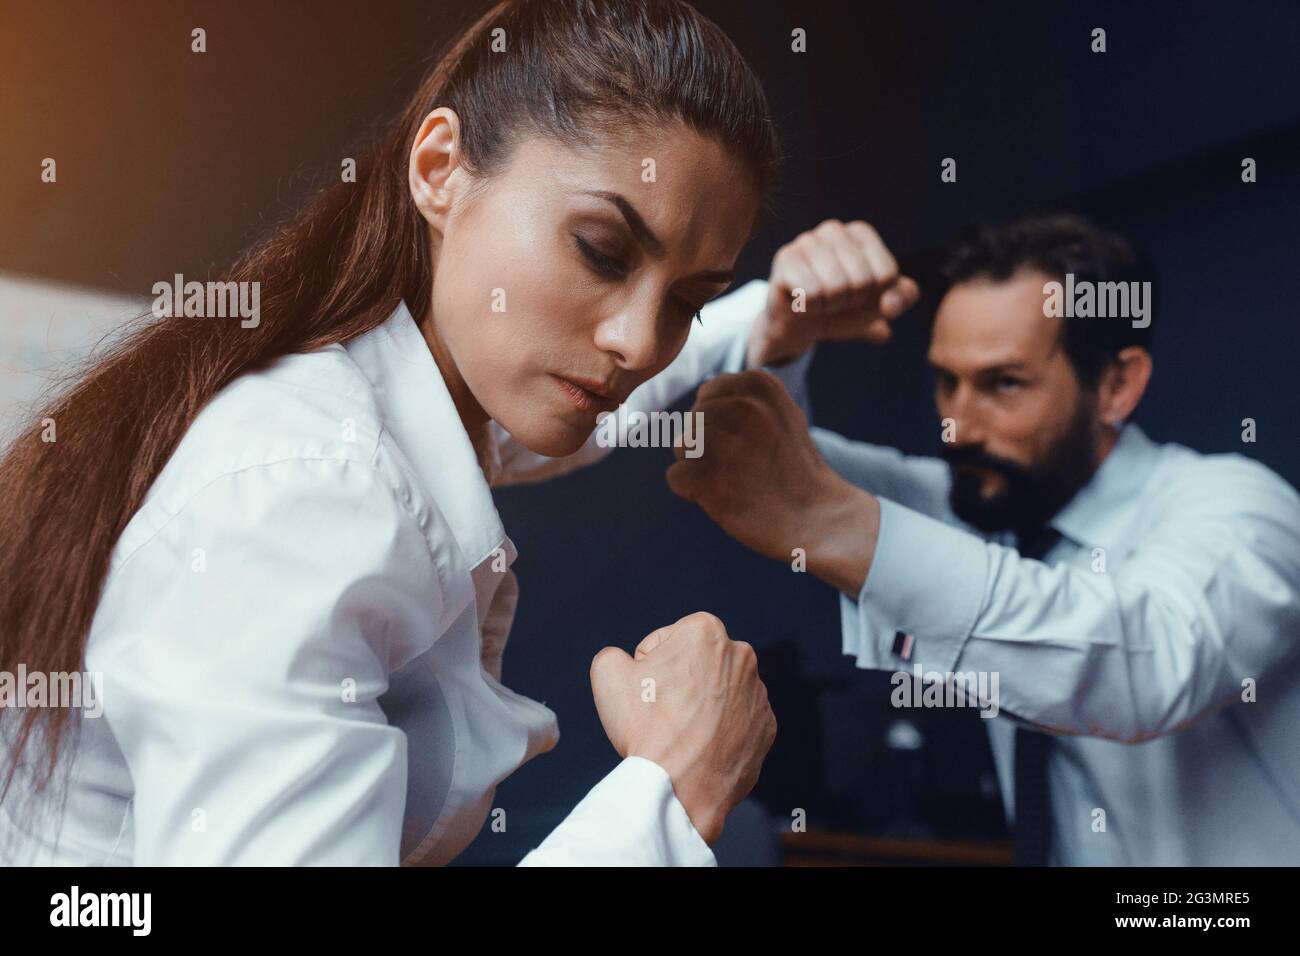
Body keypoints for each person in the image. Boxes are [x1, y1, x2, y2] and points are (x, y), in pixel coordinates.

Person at [0, 0, 916, 866]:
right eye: (601, 249)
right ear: (441, 170)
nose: (638, 341)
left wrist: (765, 326)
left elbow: (603, 403)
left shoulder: (396, 391)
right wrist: (675, 786)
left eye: (685, 298)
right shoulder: (309, 491)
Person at [667, 213, 1300, 865]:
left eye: (1004, 384)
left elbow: (1147, 662)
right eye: (948, 382)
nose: (958, 428)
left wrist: (833, 522)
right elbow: (775, 471)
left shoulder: (1240, 507)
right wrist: (780, 341)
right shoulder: (973, 502)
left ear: (1116, 385)